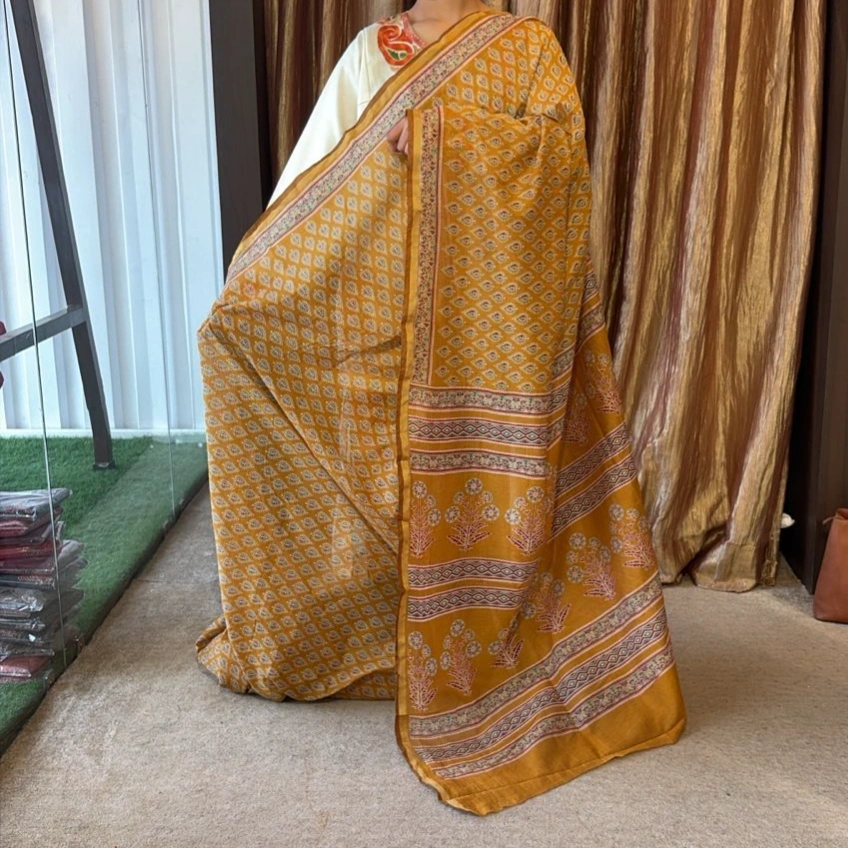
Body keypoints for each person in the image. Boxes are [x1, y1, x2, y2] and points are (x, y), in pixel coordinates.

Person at [197, 0, 686, 815]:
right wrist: (254, 281)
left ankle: (468, 647)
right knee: (249, 356)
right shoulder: (373, 49)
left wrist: (445, 137)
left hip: (481, 327)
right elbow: (312, 182)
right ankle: (361, 639)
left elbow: (561, 166)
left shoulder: (529, 49)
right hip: (371, 303)